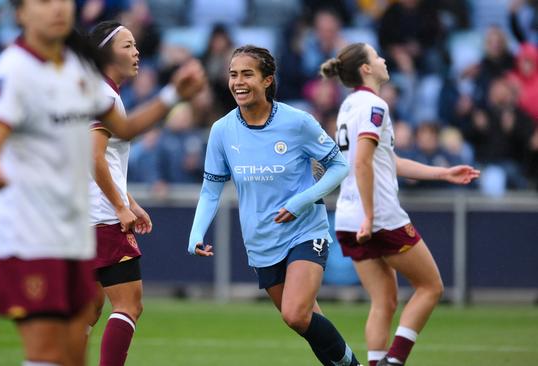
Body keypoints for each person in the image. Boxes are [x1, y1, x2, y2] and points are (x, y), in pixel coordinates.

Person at [0, 1, 204, 366]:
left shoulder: (75, 76)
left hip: (72, 227)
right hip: (32, 229)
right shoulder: (15, 70)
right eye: (45, 2)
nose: (59, 9)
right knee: (53, 347)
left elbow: (122, 133)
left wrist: (172, 95)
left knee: (76, 336)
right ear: (20, 13)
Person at [188, 45, 362, 366]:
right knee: (307, 320)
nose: (238, 82)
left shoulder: (297, 122)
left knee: (295, 314)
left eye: (247, 74)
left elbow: (339, 166)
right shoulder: (222, 131)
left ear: (268, 80)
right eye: (233, 74)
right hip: (261, 242)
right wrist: (197, 231)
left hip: (305, 230)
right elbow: (211, 189)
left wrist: (301, 201)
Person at [321, 43, 479, 366]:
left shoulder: (349, 106)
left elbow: (386, 161)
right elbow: (363, 163)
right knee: (431, 286)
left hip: (348, 217)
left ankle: (377, 363)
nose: (383, 59)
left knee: (385, 300)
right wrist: (370, 215)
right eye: (376, 56)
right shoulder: (375, 105)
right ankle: (395, 361)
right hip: (378, 215)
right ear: (366, 69)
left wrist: (443, 173)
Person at [85, 20, 203, 366]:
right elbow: (93, 158)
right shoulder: (105, 98)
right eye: (127, 46)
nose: (137, 52)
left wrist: (131, 203)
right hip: (101, 217)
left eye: (136, 45)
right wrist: (121, 207)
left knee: (88, 310)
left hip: (79, 215)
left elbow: (97, 161)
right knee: (129, 304)